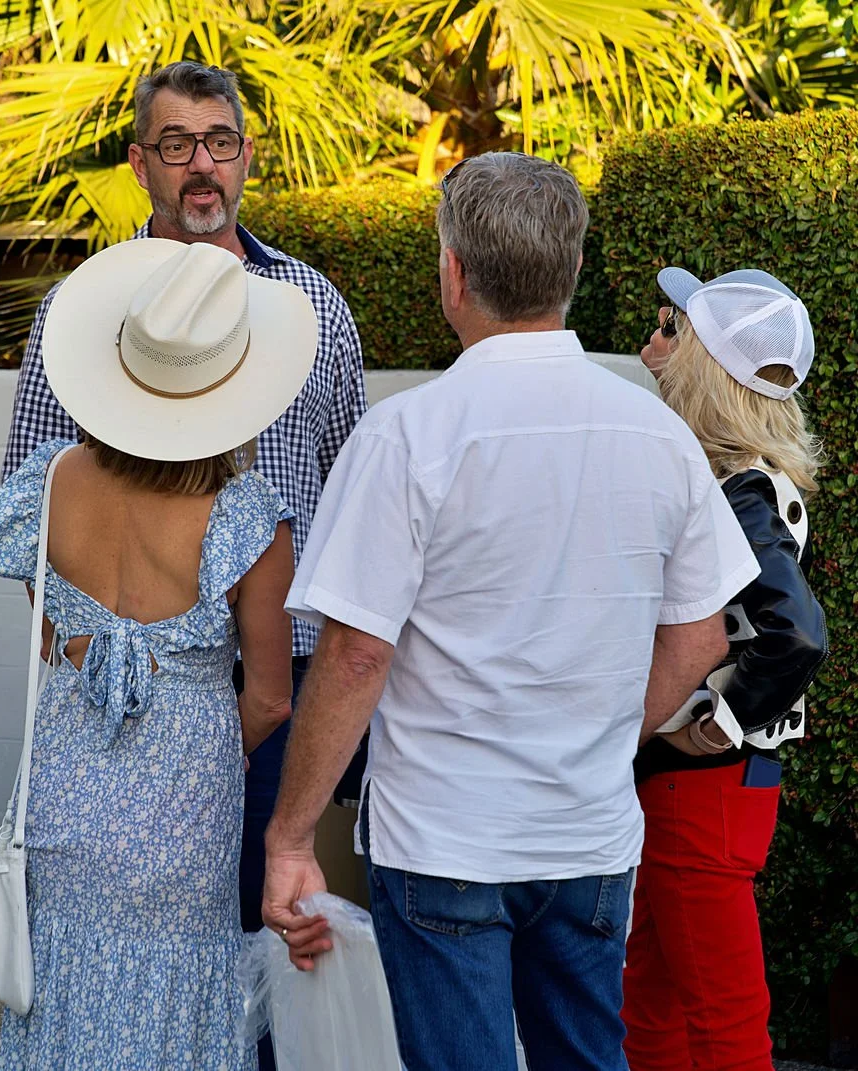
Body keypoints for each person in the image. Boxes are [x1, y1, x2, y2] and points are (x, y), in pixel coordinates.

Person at [261, 152, 763, 1071]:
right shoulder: (658, 433)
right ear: (570, 272)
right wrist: (612, 728)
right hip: (589, 831)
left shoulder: (407, 435)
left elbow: (354, 657)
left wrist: (290, 835)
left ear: (454, 273)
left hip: (444, 837)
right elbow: (700, 633)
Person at [0, 60, 366, 1069]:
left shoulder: (314, 307)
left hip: (279, 687)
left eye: (216, 142)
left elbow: (346, 496)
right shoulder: (78, 318)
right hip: (119, 709)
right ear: (140, 165)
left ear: (246, 155)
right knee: (185, 963)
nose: (199, 167)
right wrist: (102, 653)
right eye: (175, 145)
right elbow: (33, 507)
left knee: (267, 959)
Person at [0, 236, 317, 1070]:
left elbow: (54, 636)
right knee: (177, 1004)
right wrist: (195, 740)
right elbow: (272, 698)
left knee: (57, 986)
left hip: (64, 789)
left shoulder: (50, 482)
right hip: (184, 809)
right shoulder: (250, 520)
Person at [623, 268, 829, 1071]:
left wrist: (723, 716)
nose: (651, 346)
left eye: (671, 330)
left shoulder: (740, 493)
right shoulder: (744, 480)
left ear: (708, 369)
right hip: (709, 790)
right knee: (660, 994)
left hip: (700, 787)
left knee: (718, 1014)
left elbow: (796, 631)